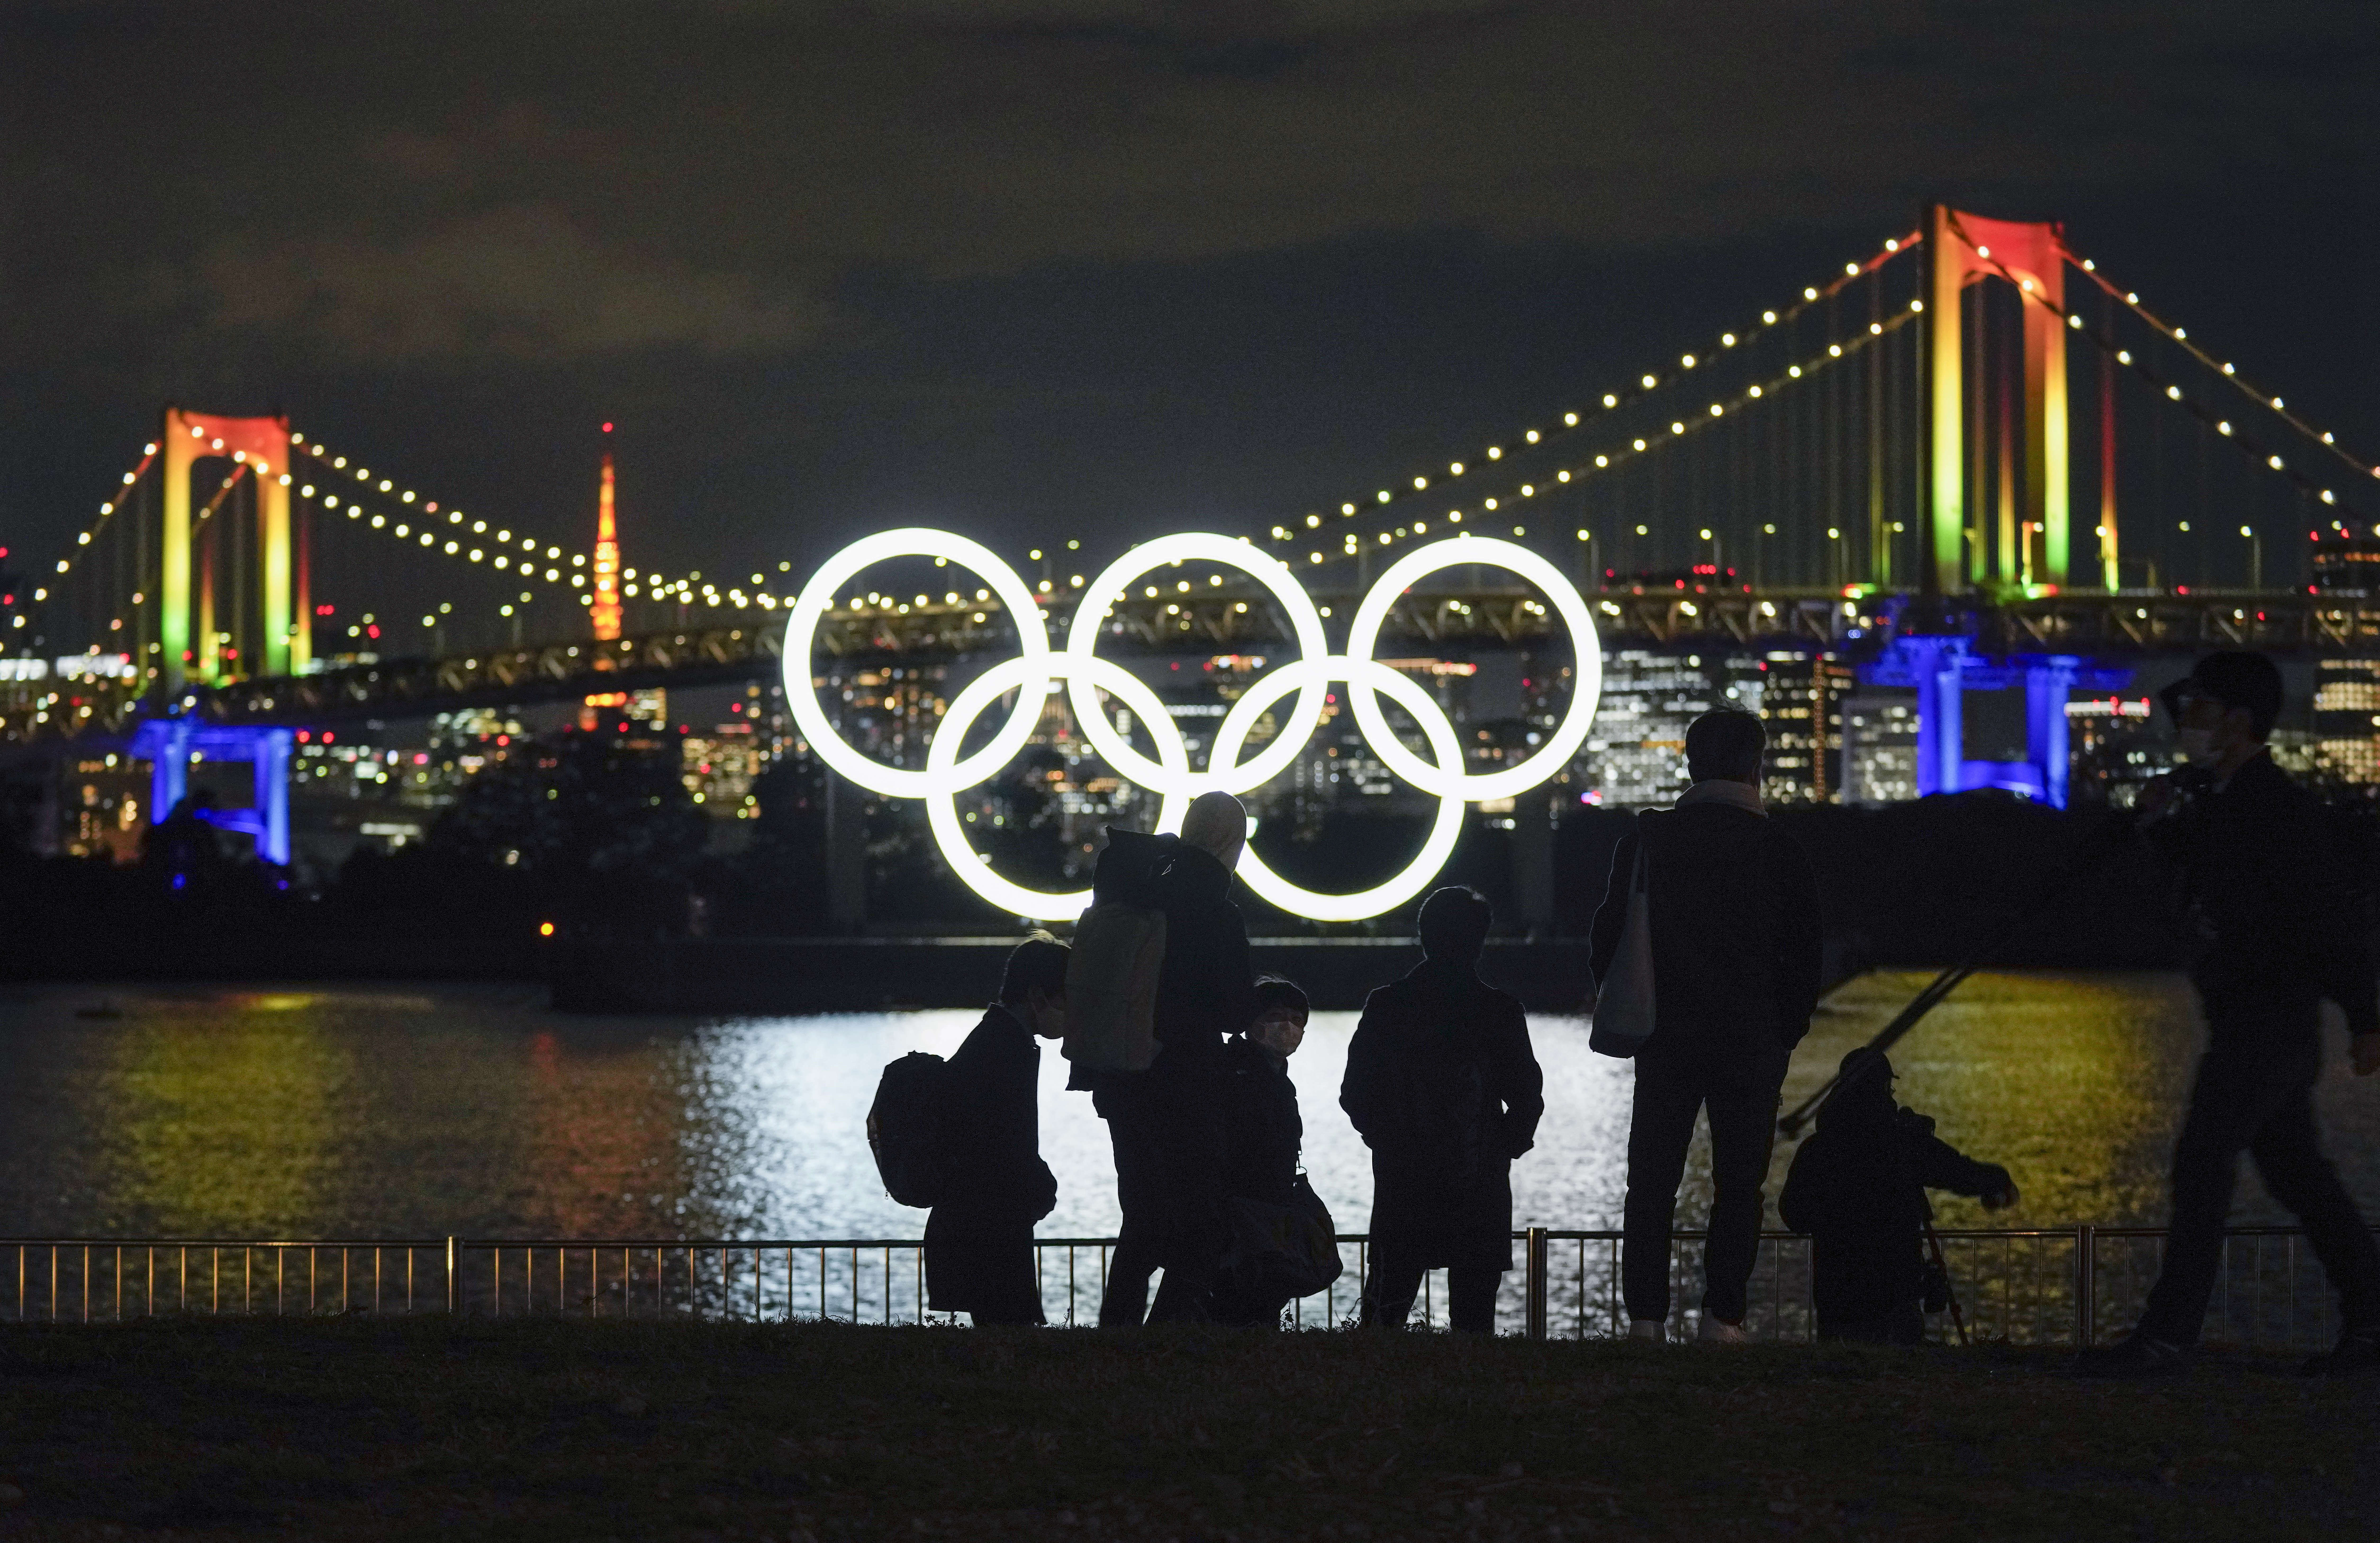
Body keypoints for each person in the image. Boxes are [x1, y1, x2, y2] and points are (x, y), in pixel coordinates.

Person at [2078, 651, 2380, 1378]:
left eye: (2203, 707)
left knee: (2203, 1162)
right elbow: (2204, 873)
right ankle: (2372, 1319)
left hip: (2265, 1019)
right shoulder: (2225, 801)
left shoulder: (2274, 807)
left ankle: (2167, 1333)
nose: (2188, 722)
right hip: (2255, 1017)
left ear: (2239, 721)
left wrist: (2367, 1017)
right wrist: (2155, 823)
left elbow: (2324, 920)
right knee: (2299, 1176)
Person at [1590, 707, 1823, 1344]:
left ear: (1688, 762)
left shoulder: (1646, 840)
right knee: (1738, 1183)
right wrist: (1786, 1029)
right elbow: (1805, 953)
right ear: (1755, 765)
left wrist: (1630, 1007)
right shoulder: (1778, 849)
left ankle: (1644, 1317)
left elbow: (1605, 936)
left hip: (1663, 1036)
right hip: (1749, 1038)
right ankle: (1721, 1316)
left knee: (1651, 1182)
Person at [1342, 886, 1543, 1333]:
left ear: (1423, 937)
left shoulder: (1388, 1005)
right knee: (1474, 1318)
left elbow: (1356, 1092)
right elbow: (1527, 1094)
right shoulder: (1499, 1011)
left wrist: (1388, 1140)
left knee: (1386, 1304)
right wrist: (1503, 1145)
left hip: (1403, 1179)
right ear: (1479, 940)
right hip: (1479, 1178)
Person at [1097, 791, 1259, 1325]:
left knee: (1143, 1218)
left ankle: (1116, 1337)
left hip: (1125, 1077)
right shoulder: (1216, 911)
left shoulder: (1142, 892)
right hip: (1189, 1081)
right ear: (1230, 842)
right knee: (1203, 1222)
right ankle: (1162, 1336)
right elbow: (1235, 1009)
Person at [1779, 1049, 2018, 1343]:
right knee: (1899, 1368)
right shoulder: (1903, 1142)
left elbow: (1793, 1213)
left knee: (1844, 1375)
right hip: (1895, 1292)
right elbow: (1956, 1171)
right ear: (1884, 1089)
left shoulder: (1817, 1149)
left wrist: (1837, 1222)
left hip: (1837, 1294)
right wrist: (1998, 1180)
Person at [924, 933, 1068, 1326]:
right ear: (1037, 994)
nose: (1070, 1009)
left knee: (1000, 1333)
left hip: (975, 1221)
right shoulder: (1006, 1049)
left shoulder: (996, 1039)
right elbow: (1004, 1141)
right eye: (1065, 997)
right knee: (1009, 1332)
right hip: (989, 1226)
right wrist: (1038, 1183)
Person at [1210, 977, 1311, 1329]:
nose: (1288, 1027)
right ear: (1252, 1021)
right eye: (1277, 1015)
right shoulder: (1232, 1070)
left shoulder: (1278, 1076)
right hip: (1240, 1207)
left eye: (1298, 1019)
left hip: (1268, 1204)